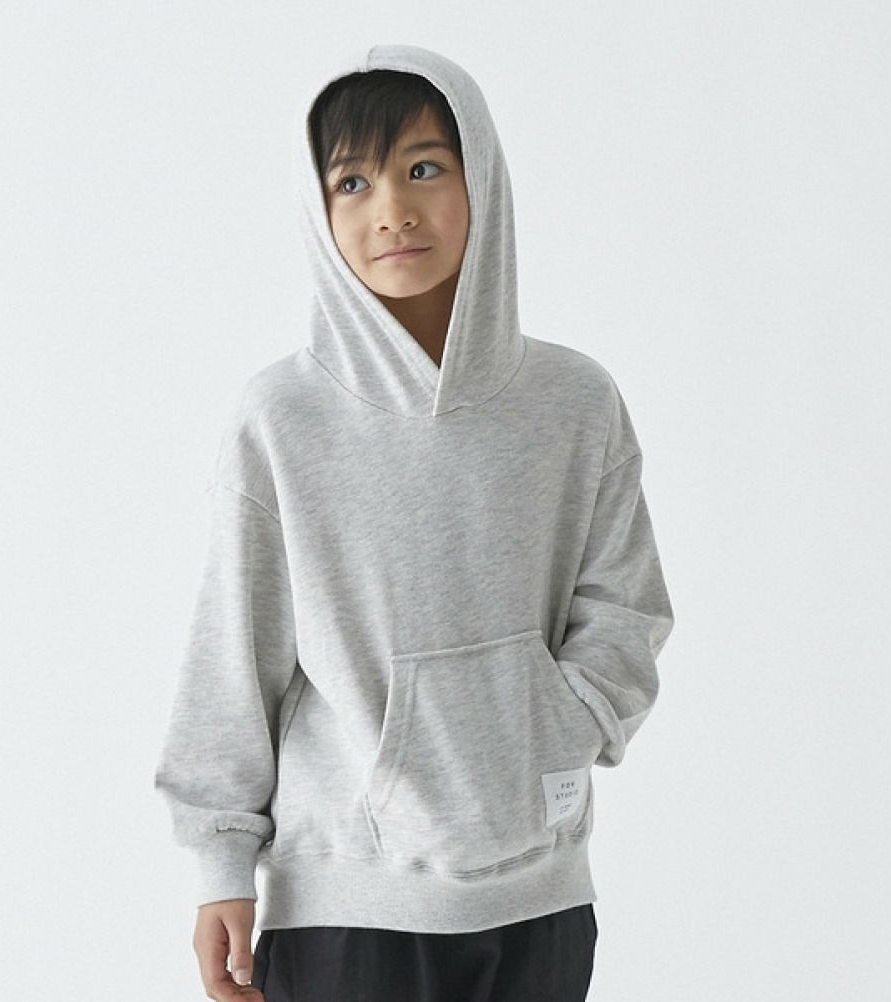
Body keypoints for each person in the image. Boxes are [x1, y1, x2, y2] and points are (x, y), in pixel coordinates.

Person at [153, 43, 675, 1002]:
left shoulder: (574, 402)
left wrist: (550, 730)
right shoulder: (282, 418)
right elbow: (234, 653)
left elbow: (626, 610)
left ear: (483, 181)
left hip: (541, 895)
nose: (391, 208)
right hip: (347, 902)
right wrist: (220, 863)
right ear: (319, 212)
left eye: (424, 167)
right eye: (352, 182)